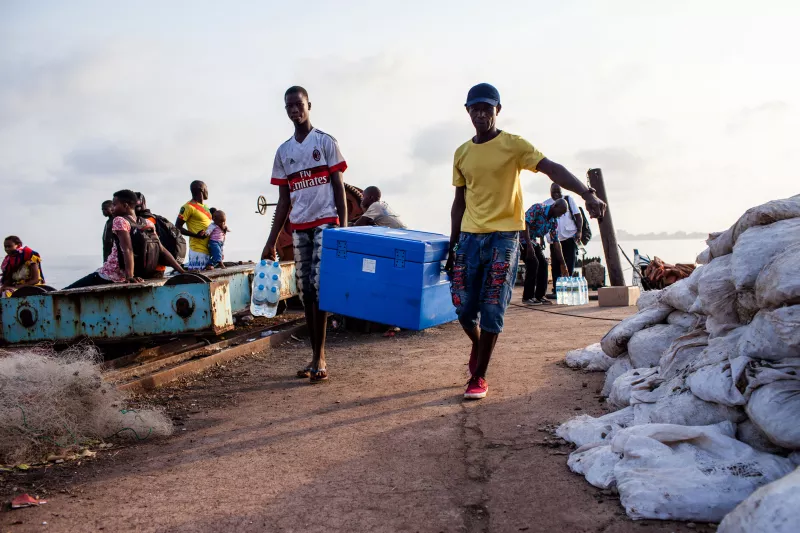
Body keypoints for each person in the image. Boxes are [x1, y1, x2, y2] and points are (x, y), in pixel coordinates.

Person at [446, 82, 606, 400]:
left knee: (492, 308)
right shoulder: (462, 153)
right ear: (467, 112)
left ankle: (478, 376)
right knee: (463, 309)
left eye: (486, 108)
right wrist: (453, 247)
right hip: (469, 238)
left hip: (504, 238)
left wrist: (587, 193)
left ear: (497, 110)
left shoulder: (514, 145)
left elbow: (553, 169)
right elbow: (459, 201)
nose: (480, 113)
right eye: (474, 108)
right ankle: (479, 344)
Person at [261, 85, 348, 384]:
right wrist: (271, 240)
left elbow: (339, 187)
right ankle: (314, 357)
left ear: (309, 105)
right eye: (289, 106)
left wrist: (343, 229)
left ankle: (320, 356)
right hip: (299, 226)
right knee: (305, 291)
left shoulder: (325, 142)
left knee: (319, 286)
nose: (294, 110)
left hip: (325, 222)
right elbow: (284, 200)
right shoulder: (284, 152)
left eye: (298, 104)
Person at [65, 190, 185, 289]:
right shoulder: (147, 223)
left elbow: (127, 249)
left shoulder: (120, 221)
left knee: (69, 290)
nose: (112, 208)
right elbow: (162, 250)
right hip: (134, 274)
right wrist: (181, 270)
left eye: (115, 204)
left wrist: (129, 276)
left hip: (110, 274)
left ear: (125, 205)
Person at [521, 200, 570, 305]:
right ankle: (527, 297)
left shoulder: (553, 221)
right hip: (520, 239)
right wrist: (529, 246)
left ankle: (540, 296)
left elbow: (556, 242)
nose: (560, 215)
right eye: (560, 212)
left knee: (543, 263)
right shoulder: (538, 208)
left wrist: (563, 263)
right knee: (533, 263)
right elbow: (524, 223)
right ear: (554, 206)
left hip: (532, 241)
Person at [544, 183, 583, 292]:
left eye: (558, 191)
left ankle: (568, 286)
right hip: (554, 240)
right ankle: (557, 288)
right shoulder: (546, 204)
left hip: (569, 237)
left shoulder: (568, 200)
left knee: (569, 263)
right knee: (555, 264)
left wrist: (579, 231)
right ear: (550, 191)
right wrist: (542, 239)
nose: (556, 194)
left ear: (562, 191)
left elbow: (578, 216)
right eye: (554, 191)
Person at [175, 181, 212, 270]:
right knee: (200, 280)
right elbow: (177, 227)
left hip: (209, 250)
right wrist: (195, 235)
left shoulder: (205, 207)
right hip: (198, 251)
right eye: (206, 188)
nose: (207, 191)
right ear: (202, 189)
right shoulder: (188, 207)